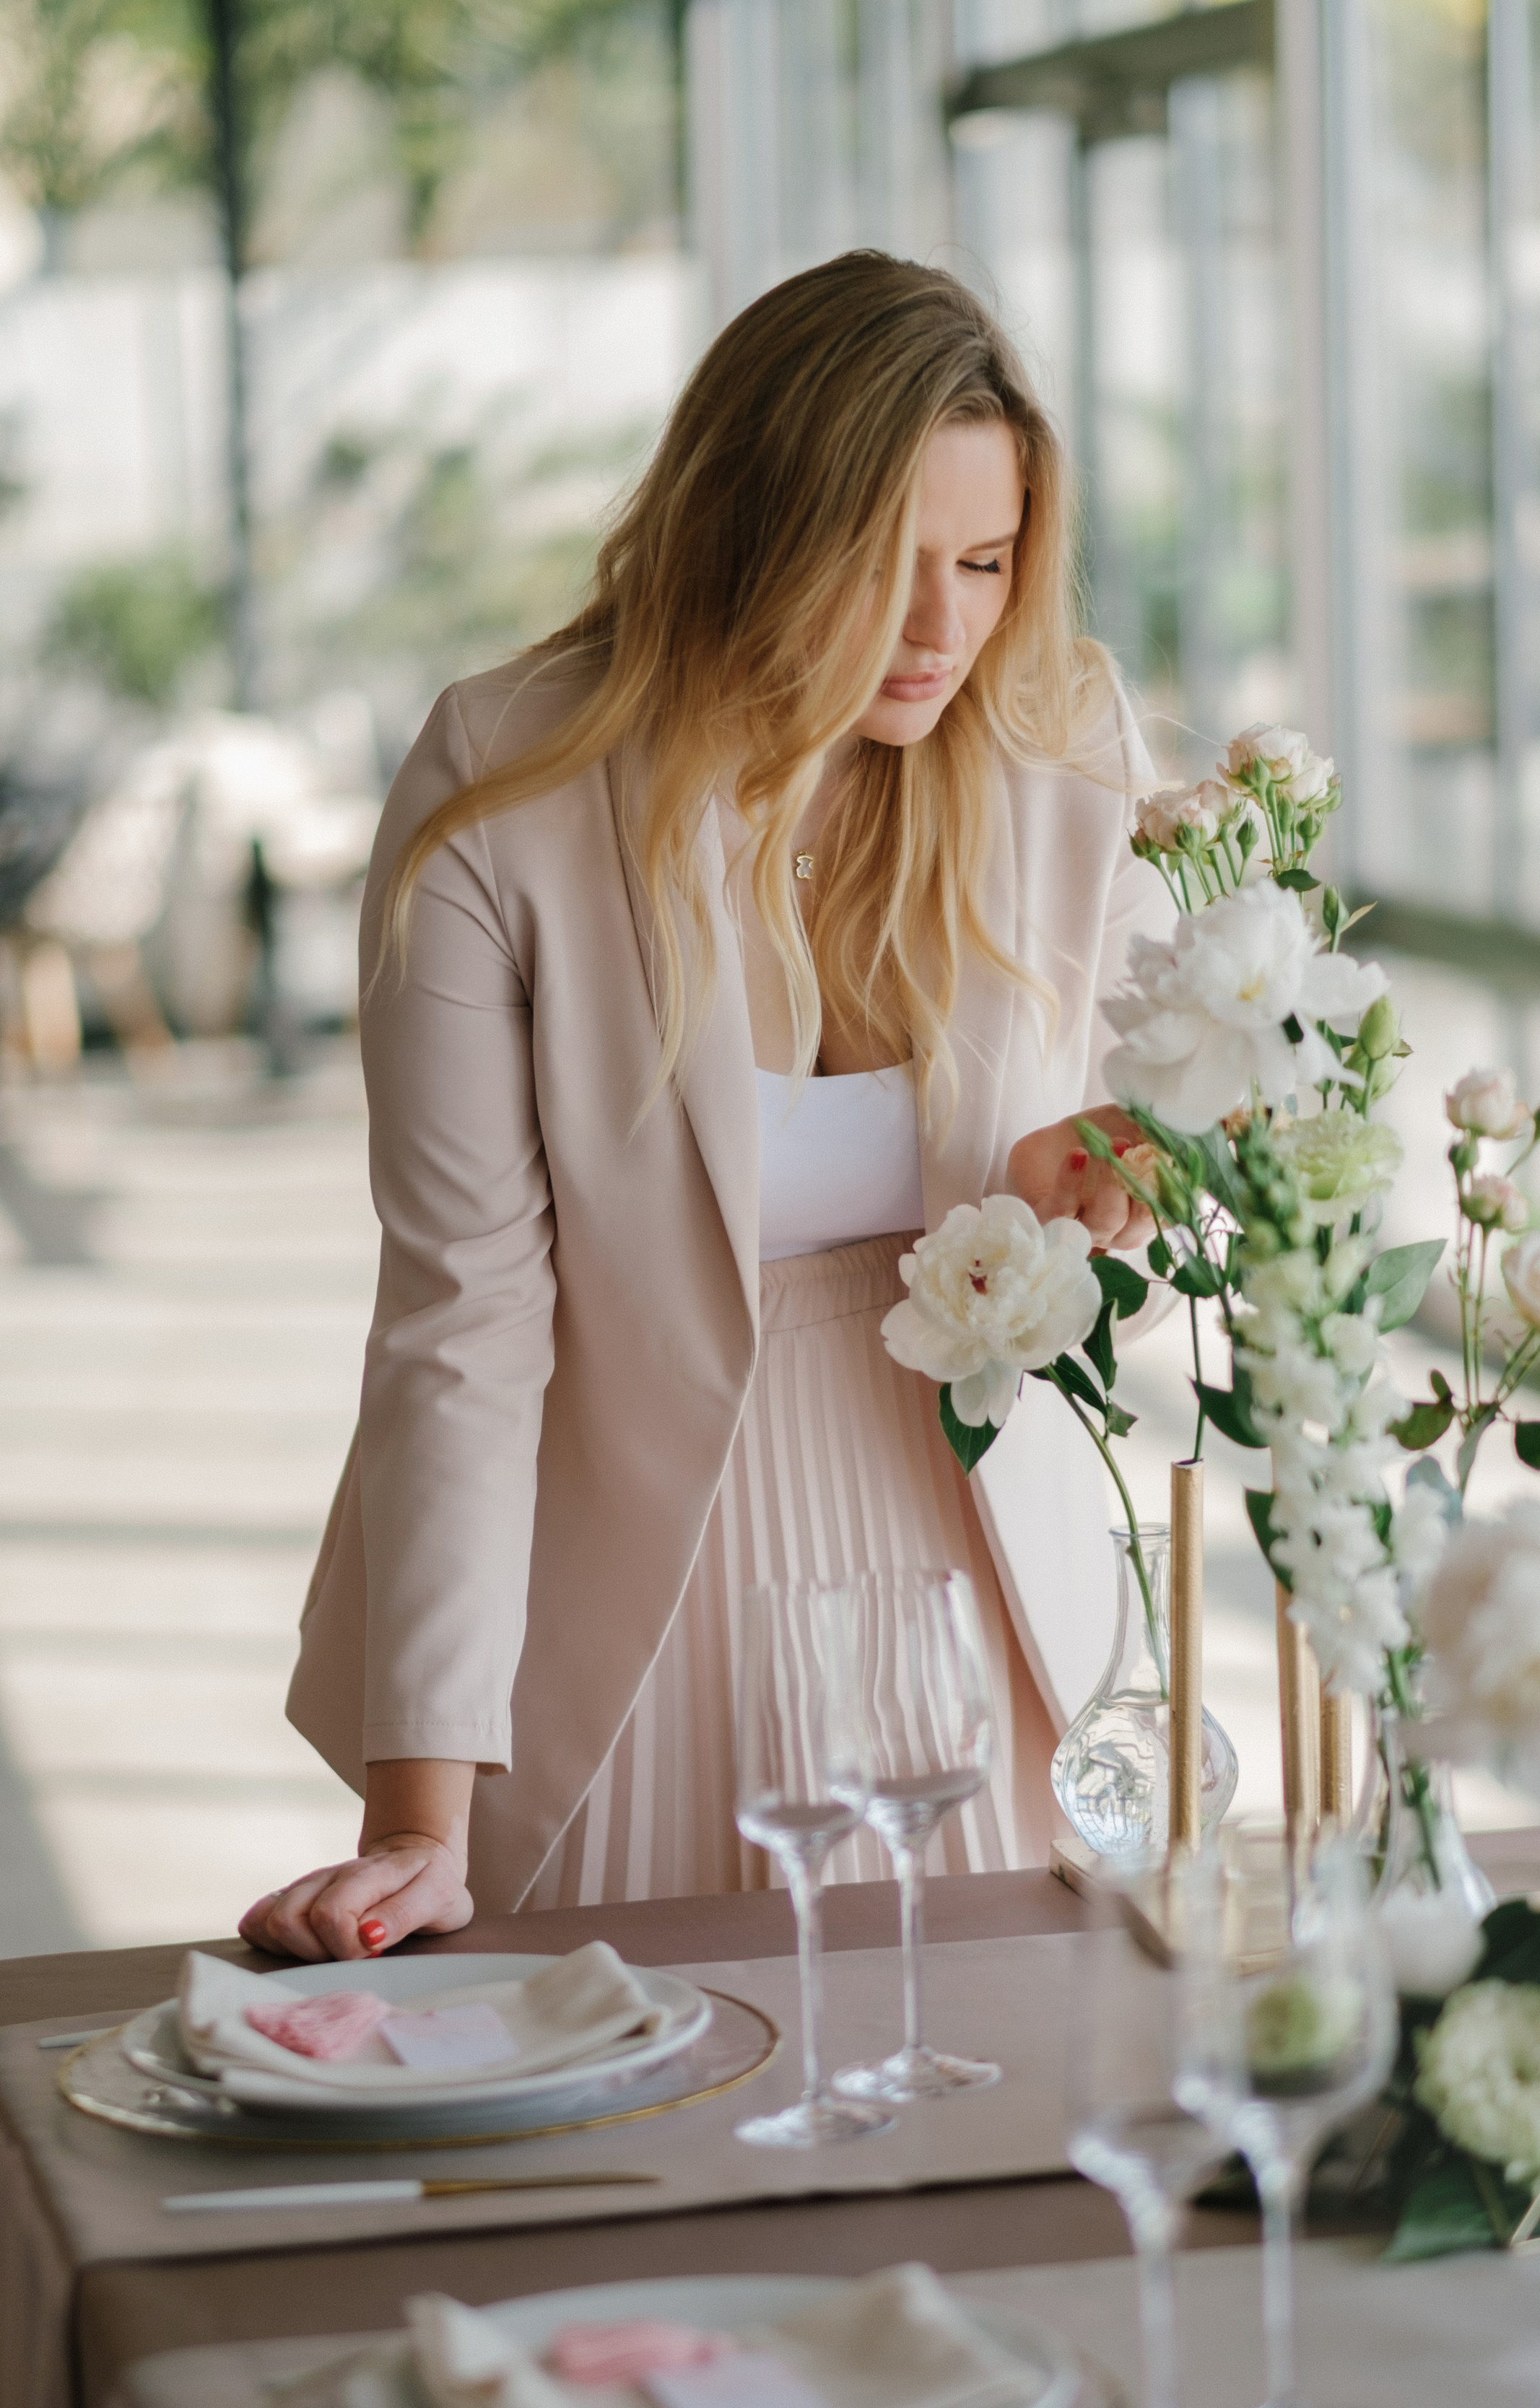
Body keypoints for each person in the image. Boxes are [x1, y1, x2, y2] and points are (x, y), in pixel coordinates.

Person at [242, 250, 1170, 1963]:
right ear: (750, 528)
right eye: (881, 566)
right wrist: (417, 1825)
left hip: (975, 1590)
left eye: (983, 563)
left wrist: (1112, 1174)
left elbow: (1164, 1168)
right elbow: (462, 1316)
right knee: (644, 2090)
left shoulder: (1063, 750)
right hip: (623, 1595)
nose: (942, 629)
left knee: (983, 2073)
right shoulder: (505, 787)